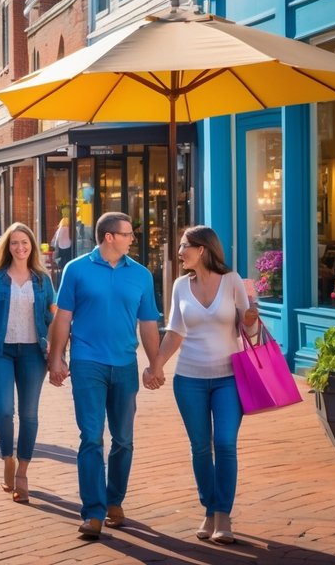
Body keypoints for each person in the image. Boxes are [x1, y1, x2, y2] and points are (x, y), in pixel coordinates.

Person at [48, 211, 161, 540]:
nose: (132, 239)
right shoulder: (77, 270)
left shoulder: (141, 275)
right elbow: (63, 319)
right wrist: (56, 359)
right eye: (127, 234)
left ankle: (115, 501)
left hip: (125, 364)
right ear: (109, 237)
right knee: (91, 437)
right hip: (87, 363)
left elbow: (149, 324)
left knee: (123, 440)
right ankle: (93, 511)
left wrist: (155, 364)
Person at [144, 225, 259, 545]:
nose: (179, 252)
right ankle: (210, 510)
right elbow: (175, 333)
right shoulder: (180, 285)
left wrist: (249, 321)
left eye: (184, 246)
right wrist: (155, 366)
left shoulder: (234, 281)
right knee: (199, 447)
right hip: (189, 380)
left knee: (224, 443)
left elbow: (248, 333)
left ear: (203, 249)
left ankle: (223, 513)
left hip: (228, 378)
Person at [0, 223, 57, 504]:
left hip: (34, 353)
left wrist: (58, 353)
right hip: (0, 351)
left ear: (32, 246)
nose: (20, 247)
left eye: (25, 243)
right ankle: (7, 458)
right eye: (14, 243)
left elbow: (52, 319)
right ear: (7, 247)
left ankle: (22, 471)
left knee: (29, 414)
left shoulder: (43, 280)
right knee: (4, 410)